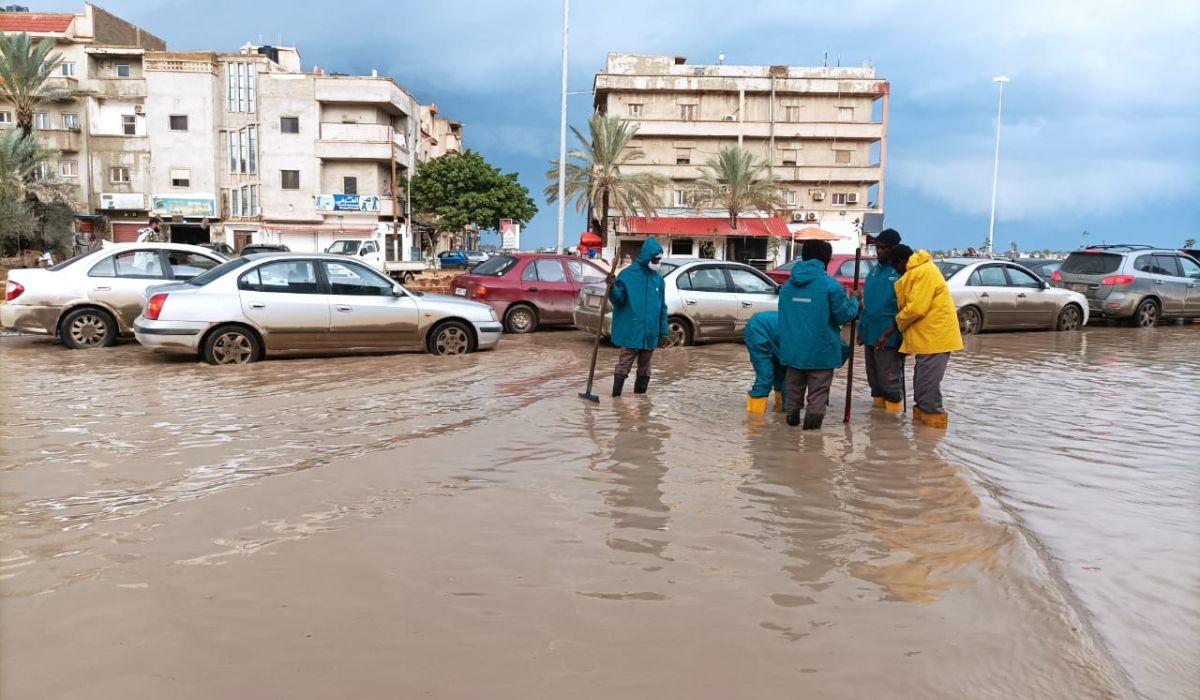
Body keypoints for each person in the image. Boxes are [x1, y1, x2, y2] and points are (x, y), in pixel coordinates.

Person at [878, 245, 963, 429]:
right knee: (921, 387)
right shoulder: (918, 272)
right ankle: (921, 436)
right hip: (926, 339)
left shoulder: (924, 272)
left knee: (928, 388)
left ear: (902, 261)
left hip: (936, 339)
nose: (896, 272)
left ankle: (933, 433)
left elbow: (916, 309)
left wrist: (890, 330)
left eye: (896, 267)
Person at [778, 240, 860, 430]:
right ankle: (811, 439)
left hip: (792, 351)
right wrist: (854, 300)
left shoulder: (787, 286)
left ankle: (791, 432)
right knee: (818, 396)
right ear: (826, 260)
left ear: (803, 256)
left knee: (793, 393)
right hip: (820, 352)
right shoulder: (831, 286)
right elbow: (844, 315)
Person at [608, 237, 669, 397]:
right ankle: (616, 400)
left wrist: (664, 333)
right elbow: (618, 300)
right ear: (647, 257)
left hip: (650, 333)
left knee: (645, 370)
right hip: (632, 331)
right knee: (623, 366)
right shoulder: (627, 276)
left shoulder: (658, 280)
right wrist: (611, 288)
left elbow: (662, 308)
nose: (658, 262)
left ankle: (641, 403)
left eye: (659, 259)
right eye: (655, 259)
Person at [860, 228, 906, 413]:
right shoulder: (873, 272)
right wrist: (862, 330)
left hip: (890, 337)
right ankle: (878, 423)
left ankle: (893, 421)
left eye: (883, 248)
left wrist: (899, 336)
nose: (879, 251)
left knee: (889, 381)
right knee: (874, 380)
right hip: (870, 334)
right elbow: (868, 304)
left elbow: (906, 309)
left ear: (893, 248)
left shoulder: (901, 273)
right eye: (877, 247)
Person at [743, 310, 786, 414]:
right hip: (757, 330)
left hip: (776, 335)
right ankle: (755, 417)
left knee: (784, 375)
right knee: (765, 376)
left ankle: (781, 411)